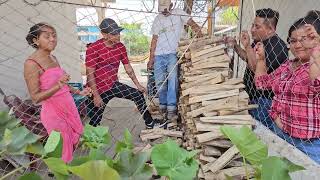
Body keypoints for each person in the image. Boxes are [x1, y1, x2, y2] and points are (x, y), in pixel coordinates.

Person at [254, 10, 320, 163]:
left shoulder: (314, 67)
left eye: (304, 39)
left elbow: (316, 82)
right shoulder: (287, 66)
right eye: (293, 40)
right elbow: (262, 83)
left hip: (308, 145)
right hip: (281, 134)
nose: (297, 45)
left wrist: (317, 50)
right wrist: (261, 60)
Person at [24, 23, 91, 163]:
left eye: (54, 35)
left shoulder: (54, 59)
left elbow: (64, 84)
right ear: (35, 40)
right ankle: (59, 173)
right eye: (47, 36)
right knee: (62, 149)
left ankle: (63, 171)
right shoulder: (31, 63)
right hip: (54, 113)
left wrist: (80, 91)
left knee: (73, 144)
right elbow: (35, 97)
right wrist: (57, 85)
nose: (52, 39)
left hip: (69, 107)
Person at [85, 18, 166, 129]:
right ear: (104, 35)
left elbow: (128, 69)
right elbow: (90, 74)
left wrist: (138, 85)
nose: (118, 35)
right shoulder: (93, 48)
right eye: (114, 34)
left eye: (118, 32)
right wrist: (96, 95)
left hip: (112, 85)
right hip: (97, 89)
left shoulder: (120, 47)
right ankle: (89, 140)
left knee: (137, 95)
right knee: (95, 121)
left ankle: (150, 123)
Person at [225, 8, 288, 129]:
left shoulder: (278, 46)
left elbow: (255, 68)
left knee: (259, 132)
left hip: (264, 101)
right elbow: (248, 59)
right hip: (251, 96)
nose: (252, 29)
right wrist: (236, 46)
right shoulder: (259, 41)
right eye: (252, 25)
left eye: (257, 27)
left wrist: (248, 46)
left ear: (270, 29)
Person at [148, 0, 202, 121]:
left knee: (172, 80)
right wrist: (151, 58)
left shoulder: (178, 13)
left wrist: (200, 37)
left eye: (166, 10)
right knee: (160, 82)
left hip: (172, 53)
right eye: (162, 11)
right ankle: (163, 108)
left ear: (171, 6)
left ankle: (171, 109)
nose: (164, 13)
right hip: (158, 55)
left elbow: (192, 24)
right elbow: (154, 39)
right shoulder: (157, 19)